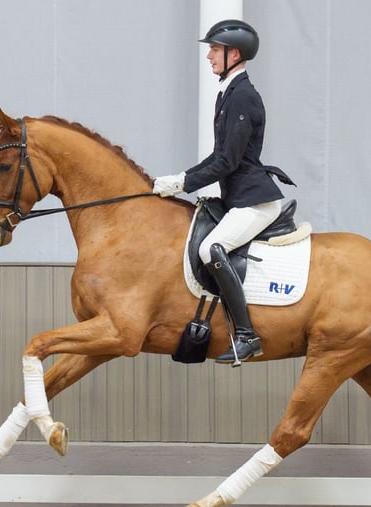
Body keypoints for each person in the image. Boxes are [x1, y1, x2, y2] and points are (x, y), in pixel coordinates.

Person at [153, 19, 292, 365]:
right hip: (238, 196)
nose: (209, 56)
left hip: (254, 200)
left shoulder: (243, 96)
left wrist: (182, 183)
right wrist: (181, 179)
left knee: (210, 248)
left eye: (215, 50)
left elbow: (227, 161)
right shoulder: (230, 92)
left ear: (234, 53)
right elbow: (219, 156)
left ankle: (247, 335)